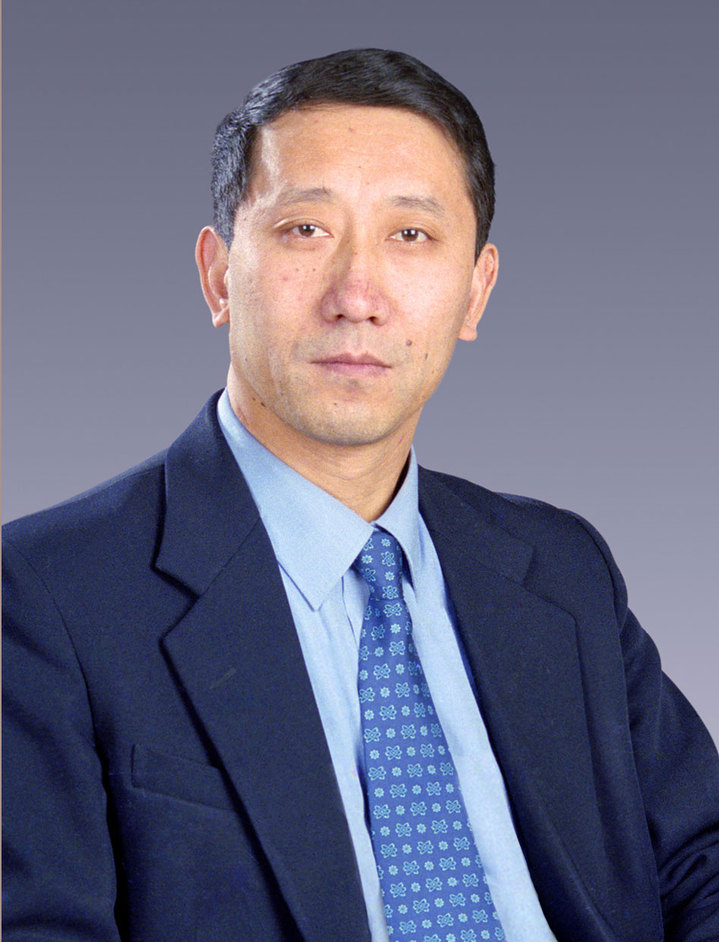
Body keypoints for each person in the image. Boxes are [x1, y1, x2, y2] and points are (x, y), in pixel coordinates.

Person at [3, 47, 718, 942]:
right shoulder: (46, 595)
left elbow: (700, 862)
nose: (356, 295)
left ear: (475, 291)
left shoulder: (561, 568)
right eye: (305, 229)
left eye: (410, 236)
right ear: (218, 275)